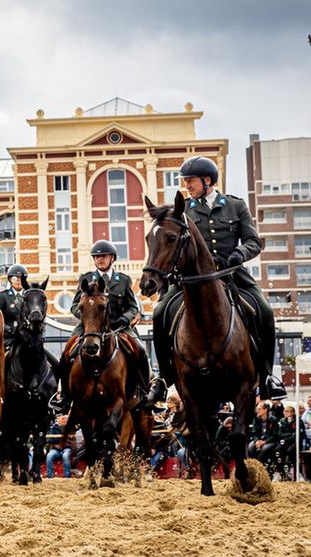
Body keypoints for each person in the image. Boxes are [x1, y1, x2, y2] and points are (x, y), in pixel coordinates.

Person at [148, 156, 285, 403]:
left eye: (190, 181)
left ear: (207, 180)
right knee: (159, 313)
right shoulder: (183, 210)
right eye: (185, 181)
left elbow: (254, 242)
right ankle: (163, 377)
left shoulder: (235, 206)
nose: (187, 185)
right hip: (191, 280)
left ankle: (266, 376)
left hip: (231, 274)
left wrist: (238, 255)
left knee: (265, 311)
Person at [55, 240, 151, 409]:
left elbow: (133, 307)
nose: (100, 259)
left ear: (112, 258)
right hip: (90, 327)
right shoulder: (85, 279)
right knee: (66, 354)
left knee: (141, 350)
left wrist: (125, 318)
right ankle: (64, 396)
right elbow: (74, 305)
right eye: (97, 256)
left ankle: (145, 393)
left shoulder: (123, 280)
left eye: (103, 256)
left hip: (119, 325)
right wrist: (86, 318)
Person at [0, 265, 29, 329]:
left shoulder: (30, 295)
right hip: (10, 334)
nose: (18, 280)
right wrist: (7, 328)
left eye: (21, 278)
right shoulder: (3, 296)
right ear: (10, 280)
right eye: (15, 278)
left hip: (28, 334)